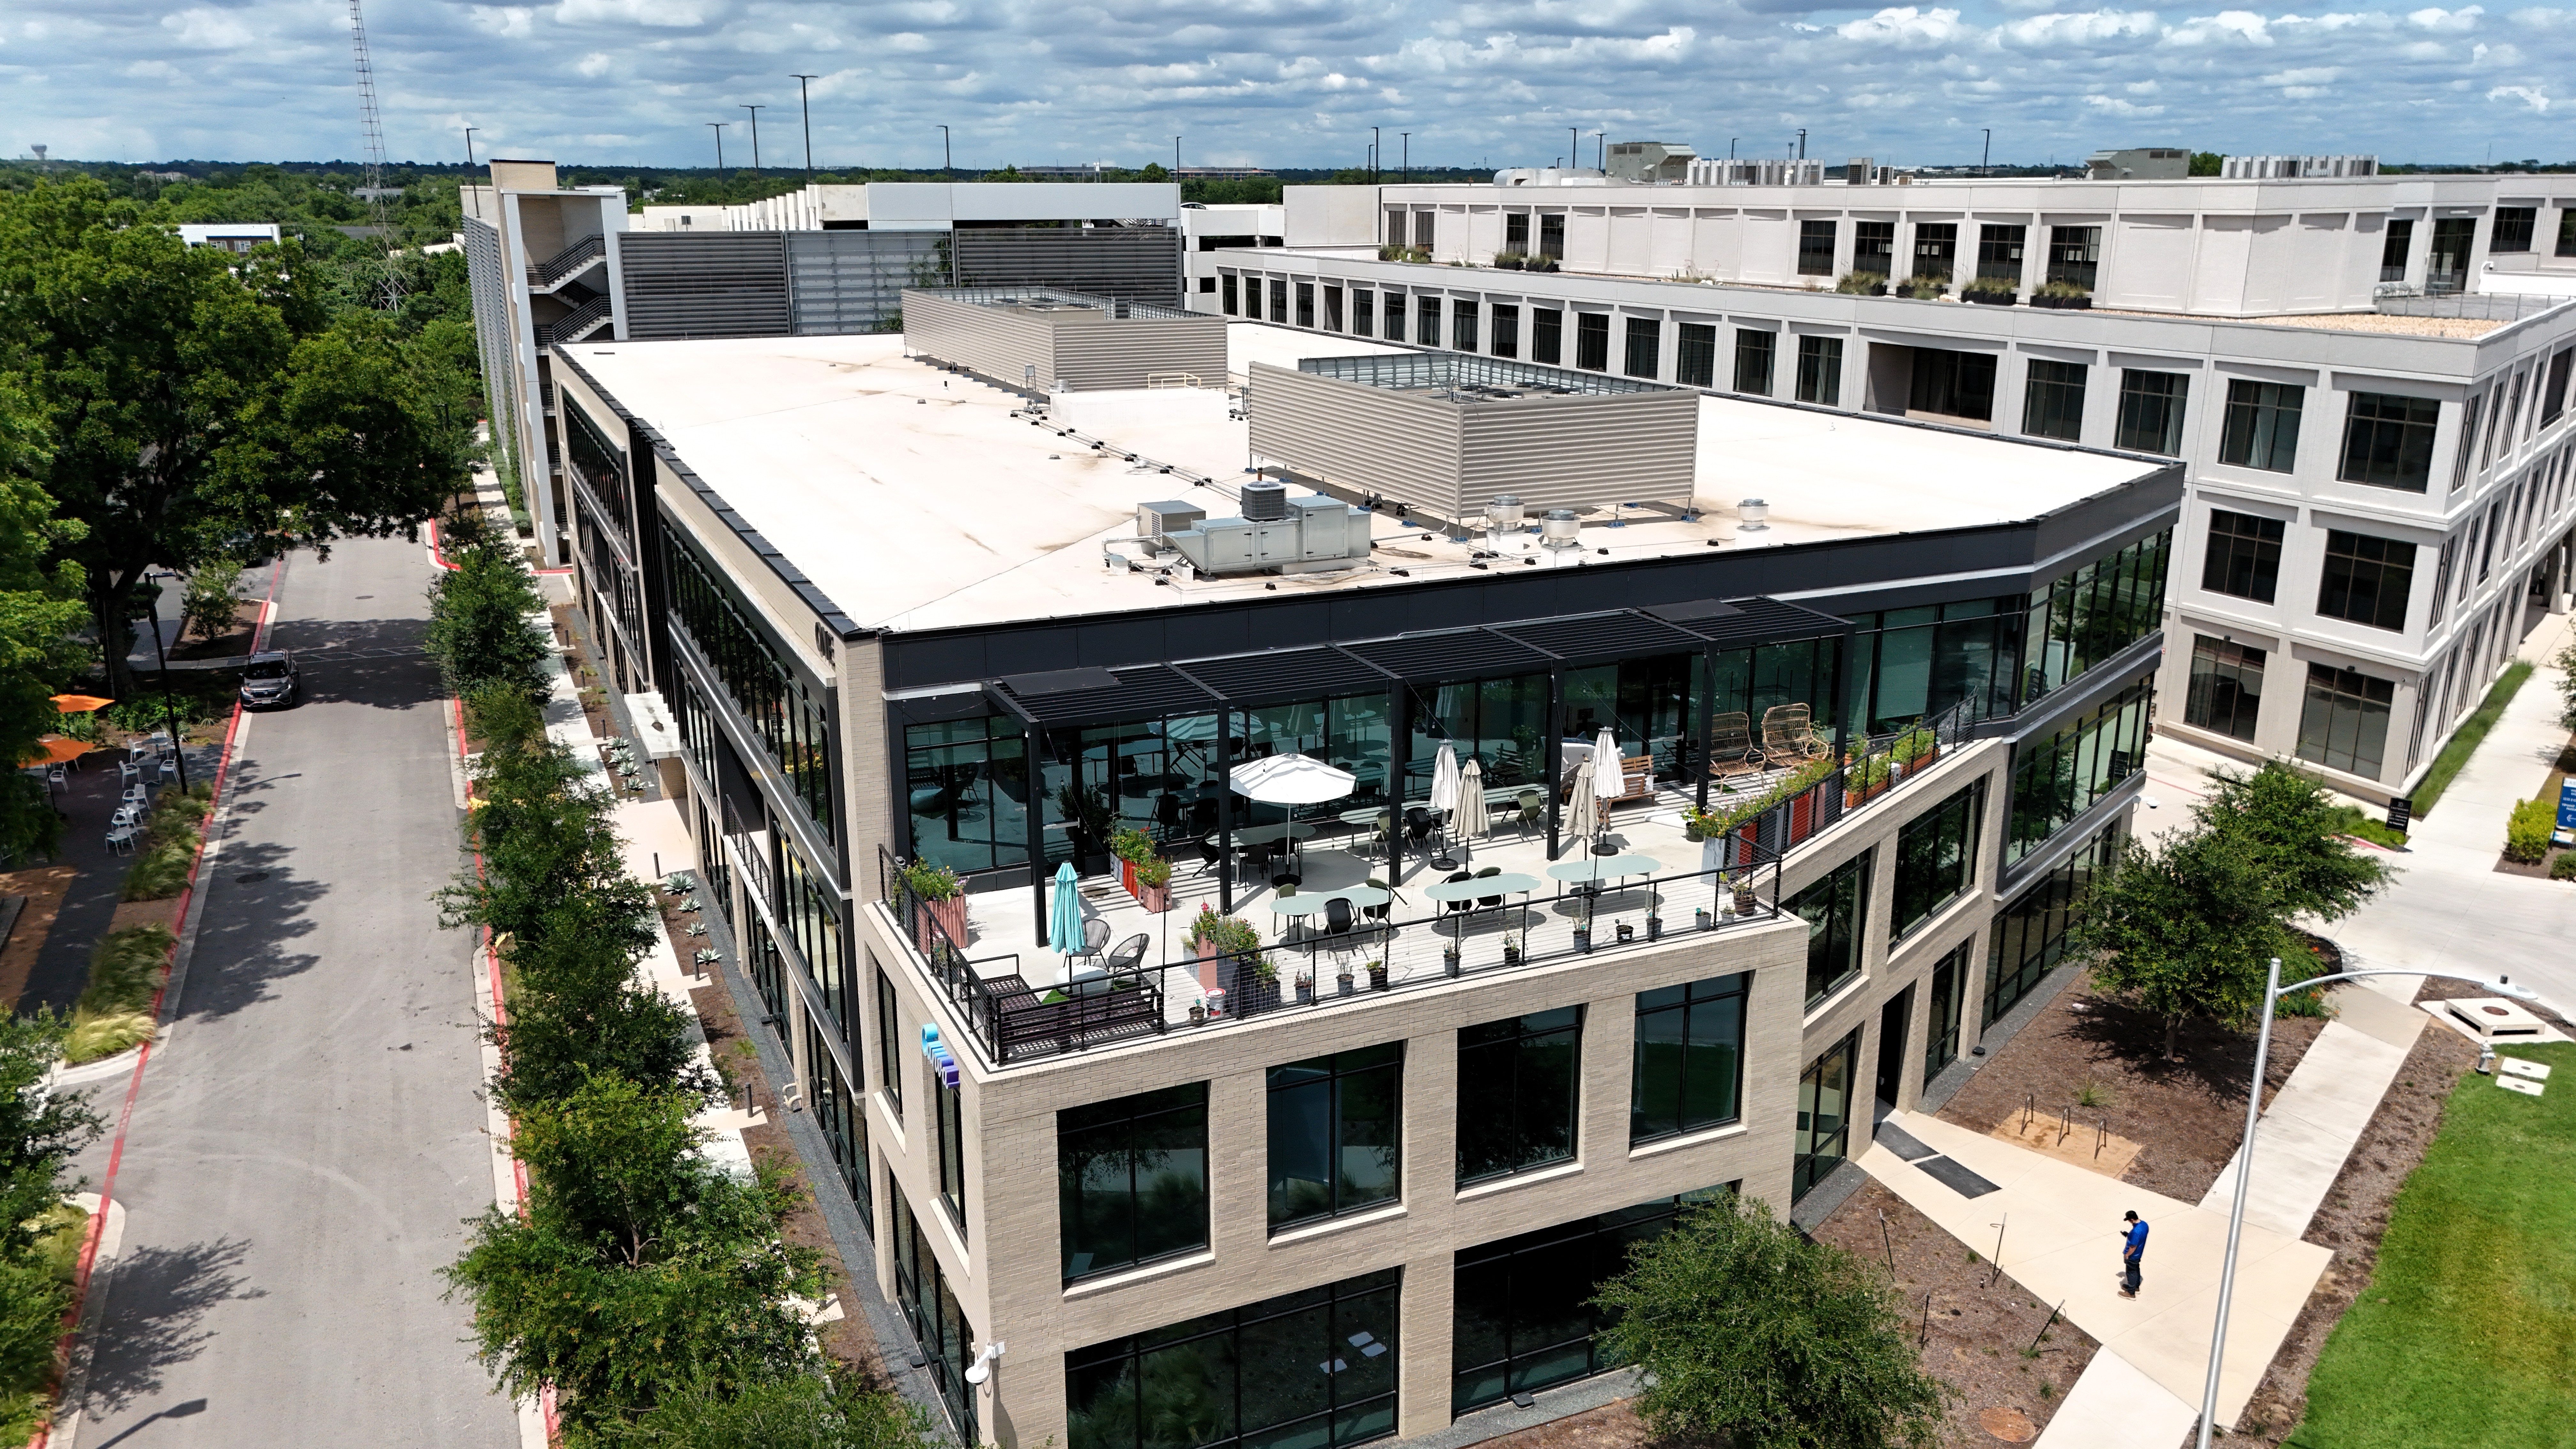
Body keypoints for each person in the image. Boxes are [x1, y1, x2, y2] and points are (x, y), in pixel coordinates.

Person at [2119, 1210, 2149, 1298]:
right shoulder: (2144, 1225)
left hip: (2133, 1256)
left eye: (2129, 1220)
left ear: (2132, 1220)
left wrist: (2127, 1255)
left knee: (2131, 1273)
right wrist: (2129, 1235)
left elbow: (2133, 1247)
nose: (2129, 1222)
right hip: (2139, 1254)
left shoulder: (2136, 1231)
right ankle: (2136, 1287)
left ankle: (2131, 1293)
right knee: (2136, 1270)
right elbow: (2140, 1238)